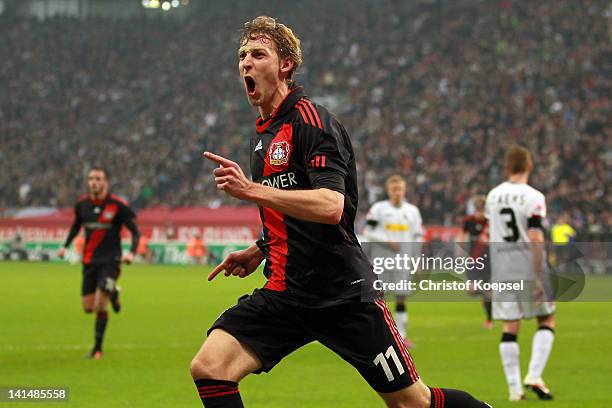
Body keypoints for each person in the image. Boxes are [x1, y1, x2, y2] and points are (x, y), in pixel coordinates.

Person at [190, 16, 490, 408]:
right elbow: (290, 204)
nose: (245, 62)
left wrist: (249, 189)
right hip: (287, 293)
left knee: (411, 403)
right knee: (210, 367)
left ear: (285, 65)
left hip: (342, 295)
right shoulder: (262, 136)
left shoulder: (313, 121)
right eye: (242, 55)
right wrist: (260, 248)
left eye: (258, 54)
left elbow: (331, 206)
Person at [485, 145, 555, 401]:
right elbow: (535, 237)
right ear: (529, 166)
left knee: (510, 326)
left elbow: (492, 234)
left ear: (506, 168)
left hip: (503, 269)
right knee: (546, 319)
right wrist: (538, 276)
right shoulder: (534, 197)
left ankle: (515, 390)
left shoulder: (493, 196)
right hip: (528, 265)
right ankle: (534, 375)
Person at [58, 166, 140, 359]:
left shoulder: (117, 205)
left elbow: (135, 232)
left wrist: (131, 253)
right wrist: (65, 246)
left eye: (98, 179)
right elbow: (75, 226)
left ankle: (97, 349)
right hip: (89, 261)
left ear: (105, 182)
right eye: (91, 179)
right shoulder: (82, 205)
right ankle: (114, 291)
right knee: (88, 307)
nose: (94, 182)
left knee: (100, 304)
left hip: (110, 261)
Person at [363, 174, 423, 348]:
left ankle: (402, 337)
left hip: (403, 262)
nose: (397, 192)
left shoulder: (413, 211)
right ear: (388, 190)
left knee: (401, 298)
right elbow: (368, 231)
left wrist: (417, 261)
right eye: (394, 189)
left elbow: (417, 237)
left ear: (405, 190)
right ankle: (377, 336)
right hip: (381, 261)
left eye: (400, 189)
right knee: (378, 299)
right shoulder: (378, 209)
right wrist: (386, 241)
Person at [457, 195, 492, 329]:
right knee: (471, 290)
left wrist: (488, 241)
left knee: (488, 293)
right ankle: (485, 292)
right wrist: (460, 249)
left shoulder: (489, 222)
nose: (479, 212)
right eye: (477, 209)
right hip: (472, 259)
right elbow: (461, 235)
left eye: (481, 209)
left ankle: (489, 319)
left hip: (488, 260)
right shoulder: (468, 221)